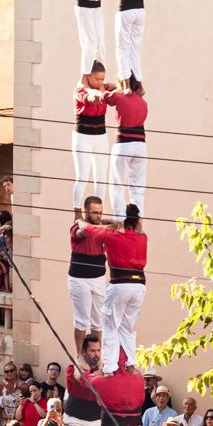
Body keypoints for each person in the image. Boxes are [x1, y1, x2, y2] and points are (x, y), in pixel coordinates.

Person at [100, 205, 147, 377]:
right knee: (127, 328)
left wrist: (111, 222)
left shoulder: (113, 236)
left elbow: (95, 229)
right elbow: (136, 226)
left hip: (120, 284)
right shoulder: (143, 237)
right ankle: (131, 363)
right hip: (140, 285)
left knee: (110, 326)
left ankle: (109, 367)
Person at [69, 197, 109, 352]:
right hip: (79, 279)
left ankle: (96, 353)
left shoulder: (101, 227)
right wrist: (104, 226)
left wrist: (104, 221)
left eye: (101, 213)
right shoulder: (76, 227)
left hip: (98, 278)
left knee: (98, 320)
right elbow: (84, 232)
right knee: (81, 321)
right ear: (86, 211)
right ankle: (79, 354)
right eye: (95, 213)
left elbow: (119, 225)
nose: (99, 216)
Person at [105, 79, 148, 222]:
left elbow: (105, 97)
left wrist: (114, 88)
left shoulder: (118, 97)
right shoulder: (143, 103)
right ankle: (139, 222)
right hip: (141, 146)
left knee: (117, 185)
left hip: (123, 144)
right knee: (137, 188)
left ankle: (120, 222)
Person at [72, 64, 112, 216]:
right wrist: (101, 93)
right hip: (83, 137)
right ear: (88, 76)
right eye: (97, 78)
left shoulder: (103, 88)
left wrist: (110, 88)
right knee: (82, 176)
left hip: (101, 137)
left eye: (103, 78)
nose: (101, 81)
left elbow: (116, 92)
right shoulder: (80, 90)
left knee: (101, 178)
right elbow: (91, 99)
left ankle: (98, 213)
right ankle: (77, 212)